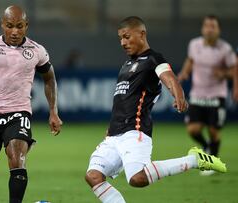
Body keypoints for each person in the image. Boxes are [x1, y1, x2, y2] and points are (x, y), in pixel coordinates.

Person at [84, 16, 227, 203]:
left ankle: (193, 160)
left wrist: (179, 95)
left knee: (137, 178)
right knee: (93, 176)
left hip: (135, 131)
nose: (123, 42)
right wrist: (111, 128)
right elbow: (122, 100)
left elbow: (168, 77)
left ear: (142, 34)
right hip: (114, 134)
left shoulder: (153, 59)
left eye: (127, 37)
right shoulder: (127, 64)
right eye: (120, 38)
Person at [0, 5, 62, 203]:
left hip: (18, 113)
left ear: (26, 26)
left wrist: (53, 112)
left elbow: (50, 79)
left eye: (19, 26)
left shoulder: (37, 50)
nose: (14, 31)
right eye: (9, 26)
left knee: (17, 160)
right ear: (2, 25)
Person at [178, 15, 238, 175]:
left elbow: (234, 69)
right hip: (198, 94)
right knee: (192, 129)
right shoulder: (194, 44)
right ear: (203, 29)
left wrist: (225, 75)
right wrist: (184, 73)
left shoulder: (225, 49)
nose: (210, 29)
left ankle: (213, 161)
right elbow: (190, 60)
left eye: (213, 26)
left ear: (218, 30)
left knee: (213, 131)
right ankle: (206, 146)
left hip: (216, 95)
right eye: (207, 26)